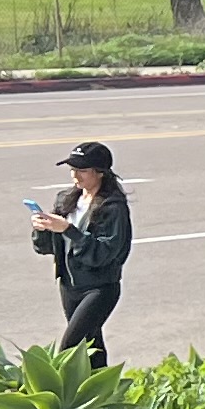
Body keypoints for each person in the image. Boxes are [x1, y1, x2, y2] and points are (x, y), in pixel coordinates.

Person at [32, 140, 131, 365]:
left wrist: (68, 230)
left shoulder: (112, 207)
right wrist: (42, 228)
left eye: (82, 170)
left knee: (70, 348)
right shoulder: (65, 199)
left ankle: (54, 394)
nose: (76, 176)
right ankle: (104, 392)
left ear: (101, 173)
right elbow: (46, 247)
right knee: (92, 345)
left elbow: (104, 253)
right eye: (72, 170)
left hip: (99, 288)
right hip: (69, 286)